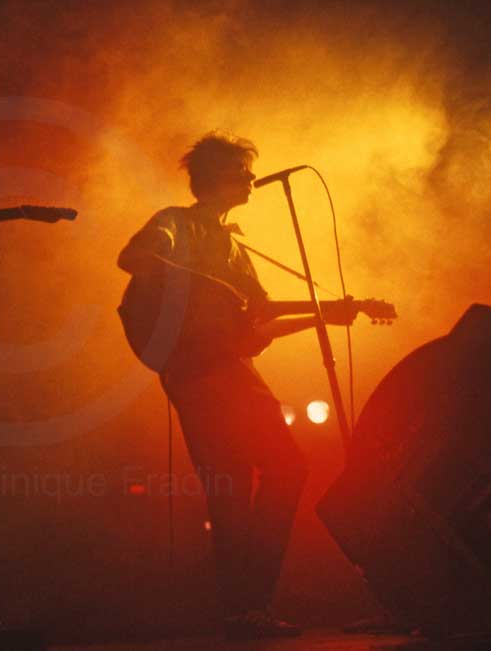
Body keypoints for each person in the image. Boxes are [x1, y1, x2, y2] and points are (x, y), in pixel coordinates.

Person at [117, 133, 355, 639]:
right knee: (253, 477)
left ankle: (249, 608)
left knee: (257, 477)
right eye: (241, 172)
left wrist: (325, 315)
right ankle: (246, 608)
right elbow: (133, 258)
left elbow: (255, 325)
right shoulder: (176, 222)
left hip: (224, 365)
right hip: (199, 370)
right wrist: (208, 284)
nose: (251, 179)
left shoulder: (236, 247)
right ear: (215, 178)